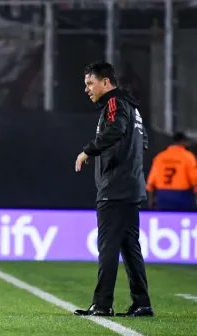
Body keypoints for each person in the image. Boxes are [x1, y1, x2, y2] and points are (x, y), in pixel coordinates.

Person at [74, 61, 153, 317]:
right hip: (131, 185)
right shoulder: (132, 106)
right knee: (130, 247)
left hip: (116, 189)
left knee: (108, 246)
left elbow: (116, 130)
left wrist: (88, 151)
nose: (86, 89)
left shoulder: (114, 103)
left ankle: (103, 303)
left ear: (105, 82)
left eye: (90, 83)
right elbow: (144, 142)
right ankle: (142, 302)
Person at [146, 132, 197, 211]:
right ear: (182, 141)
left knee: (165, 221)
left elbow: (151, 183)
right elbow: (195, 180)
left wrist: (151, 200)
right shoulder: (188, 157)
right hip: (182, 196)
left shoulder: (160, 157)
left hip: (162, 196)